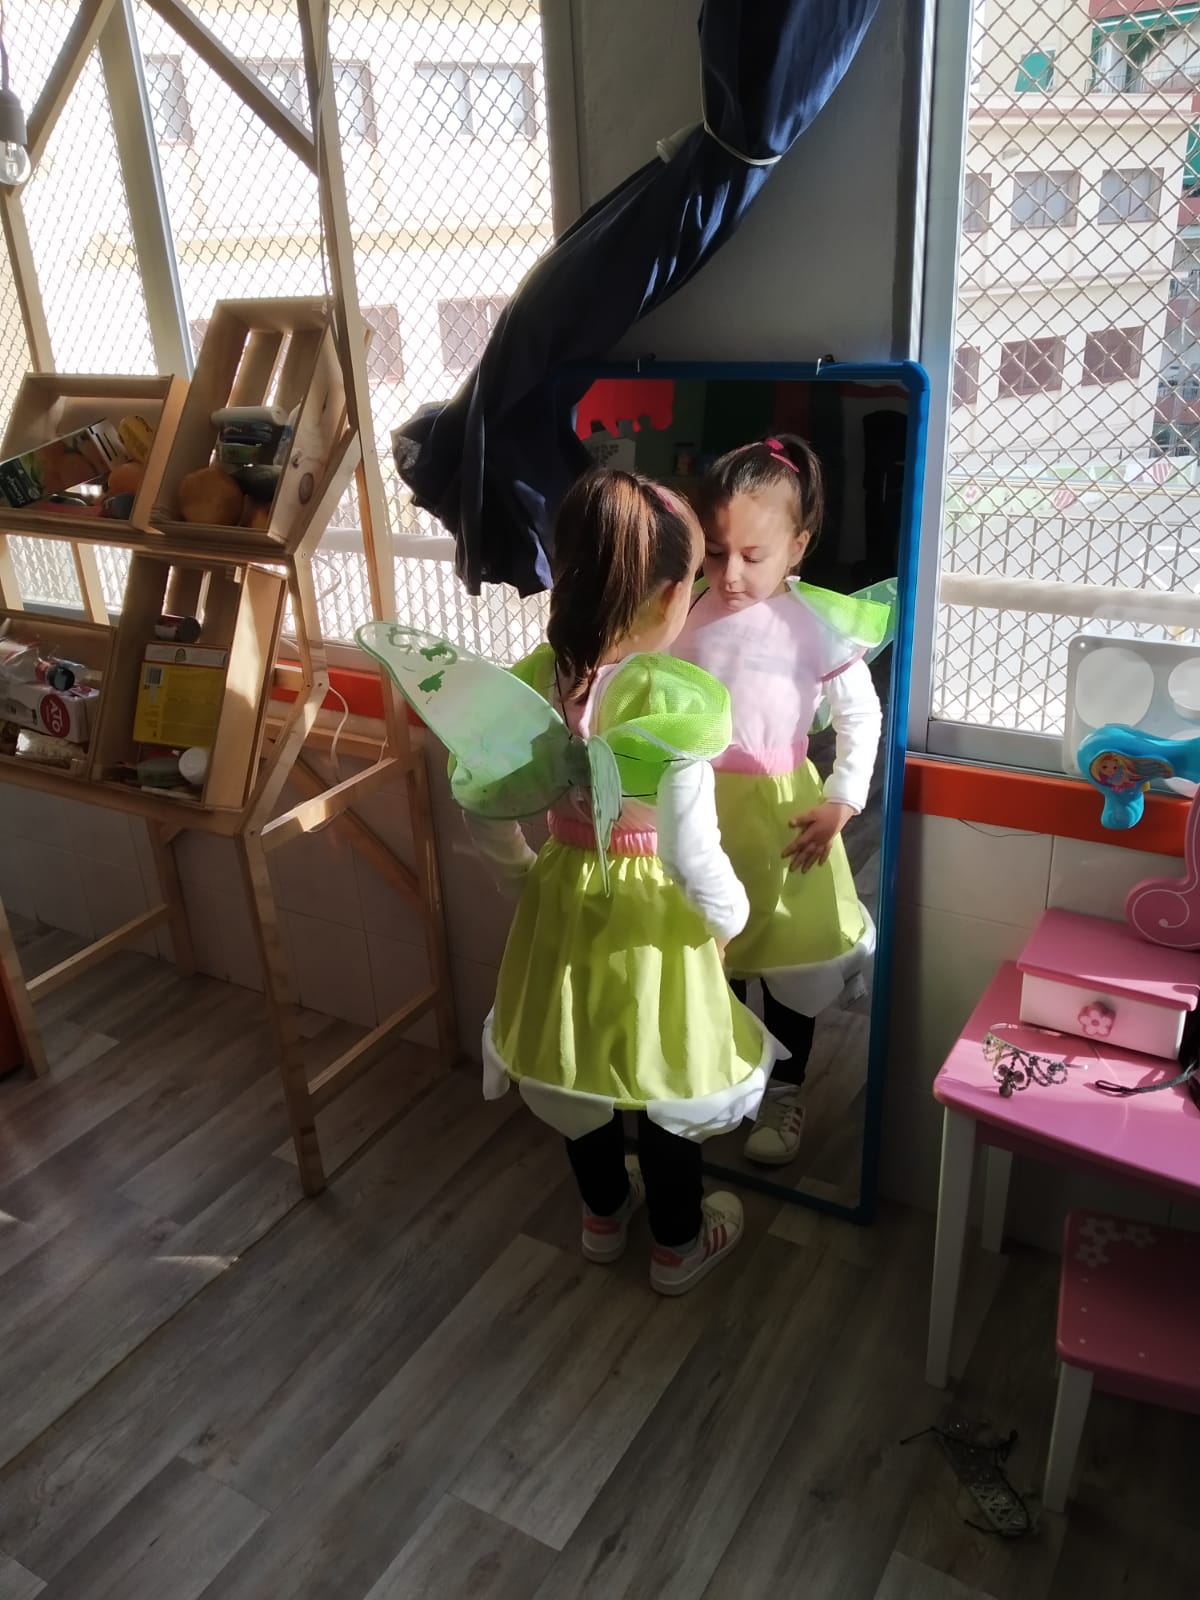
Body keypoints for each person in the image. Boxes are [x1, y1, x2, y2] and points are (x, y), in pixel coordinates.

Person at [466, 468, 778, 1295]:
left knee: (576, 1061)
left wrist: (526, 882)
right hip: (656, 916)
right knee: (665, 1072)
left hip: (562, 895)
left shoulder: (532, 680)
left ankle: (602, 1216)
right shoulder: (676, 701)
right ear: (675, 593)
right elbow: (690, 850)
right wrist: (729, 920)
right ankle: (678, 1243)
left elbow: (482, 804)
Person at [673, 436, 885, 1167]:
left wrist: (844, 801)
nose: (730, 574)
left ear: (797, 547)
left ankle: (787, 1094)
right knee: (720, 954)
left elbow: (860, 716)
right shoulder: (683, 614)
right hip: (700, 815)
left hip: (784, 816)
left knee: (790, 962)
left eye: (753, 556)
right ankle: (734, 1073)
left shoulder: (814, 624)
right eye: (715, 553)